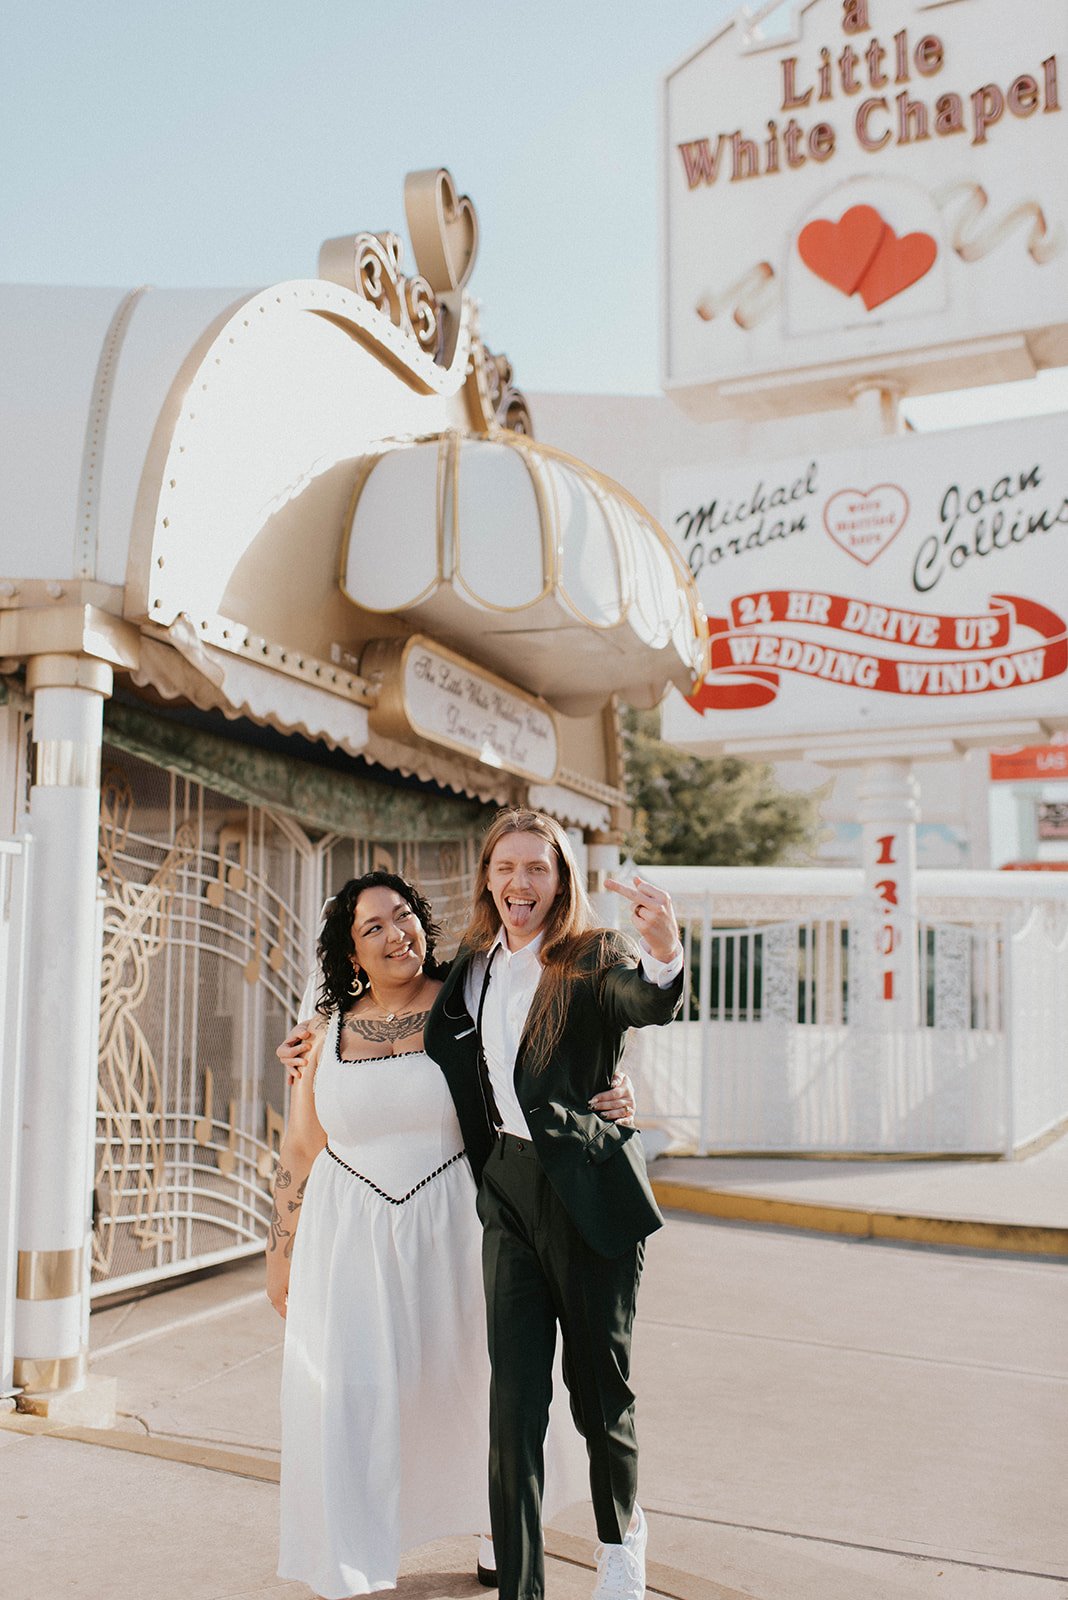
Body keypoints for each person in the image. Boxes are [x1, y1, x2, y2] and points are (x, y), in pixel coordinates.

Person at [267, 869, 633, 1598]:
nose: (395, 934)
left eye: (402, 915)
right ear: (350, 953)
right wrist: (281, 1255)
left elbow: (544, 1062)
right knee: (355, 1397)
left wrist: (617, 1090)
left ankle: (497, 1530)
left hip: (460, 1225)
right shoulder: (321, 1032)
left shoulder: (468, 1001)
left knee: (475, 1388)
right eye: (372, 927)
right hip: (350, 1240)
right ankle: (352, 1557)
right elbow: (302, 1147)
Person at [424, 809, 684, 1600]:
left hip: (588, 1193)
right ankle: (521, 1585)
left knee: (599, 1391)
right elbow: (412, 1025)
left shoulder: (594, 955)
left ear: (561, 878)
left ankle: (620, 1541)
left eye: (537, 867)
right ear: (488, 878)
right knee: (514, 1403)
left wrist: (665, 953)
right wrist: (317, 1037)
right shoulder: (472, 966)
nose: (520, 882)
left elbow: (643, 1002)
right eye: (506, 867)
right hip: (506, 1187)